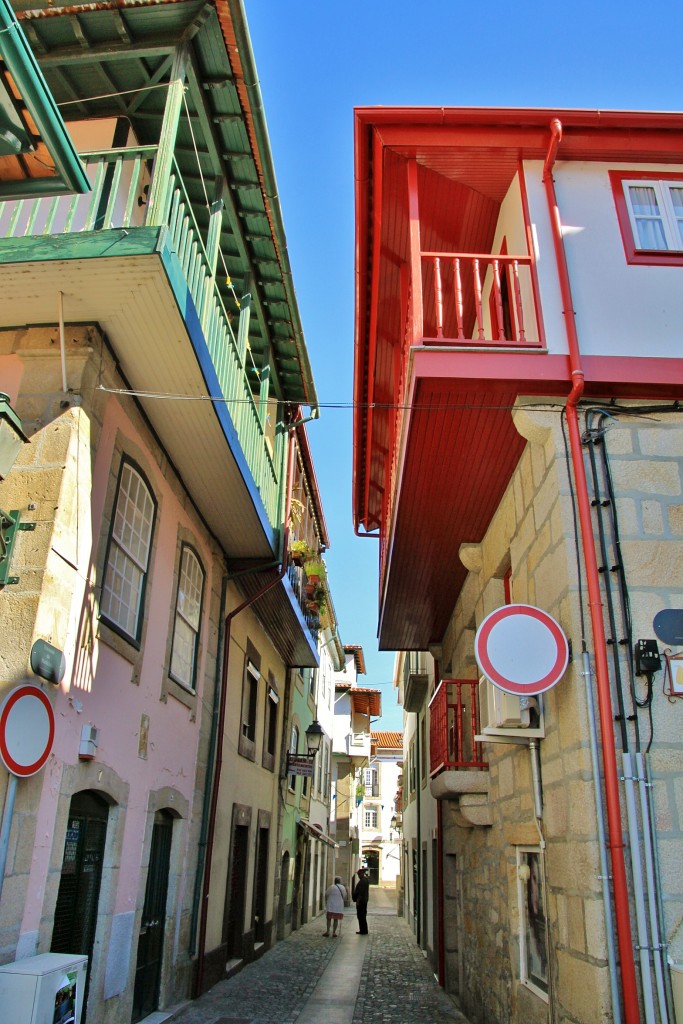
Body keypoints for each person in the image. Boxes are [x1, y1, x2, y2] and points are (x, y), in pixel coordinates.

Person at [352, 867, 370, 934]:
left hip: (362, 901)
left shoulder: (363, 881)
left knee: (361, 916)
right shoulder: (365, 880)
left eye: (359, 874)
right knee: (362, 916)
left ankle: (363, 930)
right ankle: (363, 930)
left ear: (362, 874)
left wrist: (358, 901)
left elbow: (361, 892)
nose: (358, 876)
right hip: (364, 901)